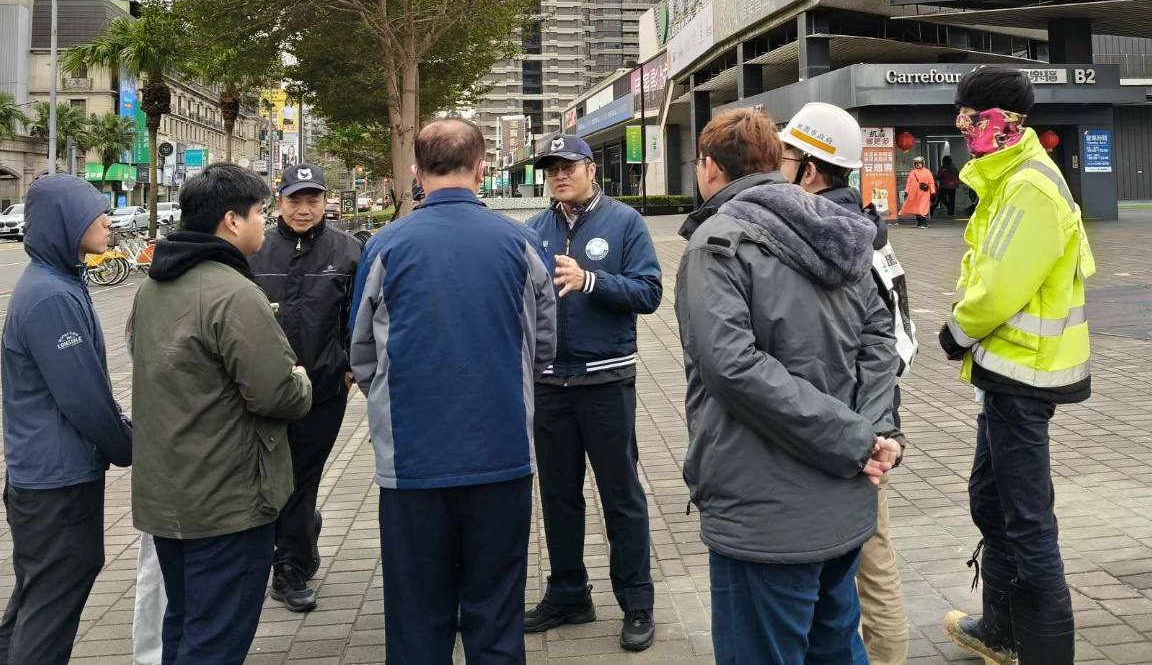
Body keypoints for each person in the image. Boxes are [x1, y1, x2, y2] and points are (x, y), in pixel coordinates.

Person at [676, 107, 902, 663]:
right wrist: (875, 431)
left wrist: (856, 440)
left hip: (765, 517)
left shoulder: (717, 242)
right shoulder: (840, 232)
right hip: (845, 501)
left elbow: (731, 367)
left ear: (709, 167)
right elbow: (883, 333)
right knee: (836, 646)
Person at [350, 117, 557, 664]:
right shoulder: (522, 241)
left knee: (417, 622)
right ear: (482, 167)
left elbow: (362, 356)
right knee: (496, 617)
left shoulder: (385, 245)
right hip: (503, 457)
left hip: (411, 465)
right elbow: (544, 345)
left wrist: (393, 399)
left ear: (416, 172)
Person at [938, 66, 1093, 665]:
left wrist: (956, 331)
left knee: (1026, 519)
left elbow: (1001, 285)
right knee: (992, 499)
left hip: (1024, 377)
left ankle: (1041, 649)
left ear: (1005, 122)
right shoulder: (1008, 180)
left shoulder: (1029, 186)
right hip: (1008, 374)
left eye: (970, 117)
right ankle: (1001, 629)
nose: (962, 127)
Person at [131, 163, 314, 665]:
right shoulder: (233, 293)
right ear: (232, 222)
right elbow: (278, 393)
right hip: (227, 501)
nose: (264, 222)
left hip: (169, 495)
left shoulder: (154, 286)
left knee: (184, 624)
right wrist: (301, 377)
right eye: (260, 212)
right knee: (216, 639)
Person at [778, 103, 918, 665]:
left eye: (785, 158)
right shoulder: (869, 235)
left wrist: (865, 432)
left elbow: (886, 345)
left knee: (864, 562)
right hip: (865, 429)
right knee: (871, 563)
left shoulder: (824, 240)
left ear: (810, 171)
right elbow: (903, 339)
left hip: (845, 436)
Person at [522, 134, 663, 651]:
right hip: (549, 383)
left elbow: (648, 292)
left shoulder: (624, 223)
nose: (559, 175)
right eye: (551, 169)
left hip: (606, 379)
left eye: (568, 166)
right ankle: (568, 593)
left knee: (620, 493)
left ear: (590, 169)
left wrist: (591, 280)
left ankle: (637, 600)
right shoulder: (535, 230)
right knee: (558, 495)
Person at [0, 175, 133, 665]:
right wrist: (125, 445)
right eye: (94, 212)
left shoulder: (57, 280)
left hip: (43, 476)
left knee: (36, 597)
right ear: (64, 223)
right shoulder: (51, 295)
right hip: (57, 482)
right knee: (52, 601)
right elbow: (83, 397)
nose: (106, 221)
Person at [249, 162, 362, 611]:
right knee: (271, 476)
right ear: (279, 202)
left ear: (324, 203)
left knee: (301, 475)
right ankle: (298, 533)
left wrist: (351, 364)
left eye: (312, 199)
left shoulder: (349, 251)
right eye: (294, 199)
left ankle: (290, 567)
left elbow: (359, 316)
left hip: (323, 389)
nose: (303, 208)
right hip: (264, 389)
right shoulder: (255, 249)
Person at [899, 157, 935, 227]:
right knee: (915, 208)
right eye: (916, 163)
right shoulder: (912, 172)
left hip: (924, 193)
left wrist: (933, 192)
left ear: (923, 163)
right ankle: (919, 222)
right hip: (914, 193)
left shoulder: (927, 172)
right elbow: (908, 183)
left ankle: (924, 223)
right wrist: (906, 191)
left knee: (922, 208)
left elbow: (931, 183)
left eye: (919, 163)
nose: (918, 164)